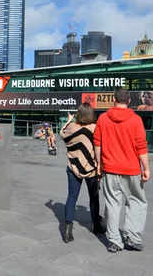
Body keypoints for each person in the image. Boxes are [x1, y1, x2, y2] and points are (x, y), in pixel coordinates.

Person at [94, 88, 150, 253]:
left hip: (110, 168)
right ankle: (133, 238)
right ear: (129, 101)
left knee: (112, 204)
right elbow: (141, 145)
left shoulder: (103, 118)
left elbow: (97, 143)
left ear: (114, 99)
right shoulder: (136, 119)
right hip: (132, 169)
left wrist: (99, 164)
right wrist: (146, 167)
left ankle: (114, 241)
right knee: (137, 202)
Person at [61, 103, 105, 244]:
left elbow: (62, 134)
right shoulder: (95, 128)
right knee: (94, 197)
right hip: (91, 168)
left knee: (72, 196)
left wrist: (69, 120)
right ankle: (96, 224)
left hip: (73, 167)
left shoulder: (71, 127)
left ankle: (67, 230)